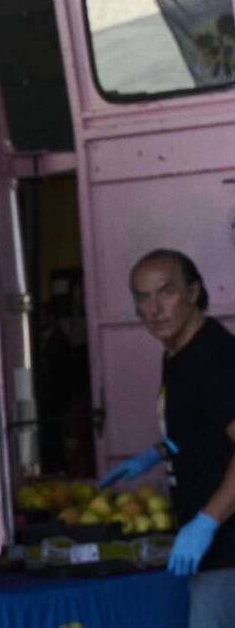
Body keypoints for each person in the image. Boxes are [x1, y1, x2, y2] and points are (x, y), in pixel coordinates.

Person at [99, 249, 235, 628]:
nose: (154, 309)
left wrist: (207, 521)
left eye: (166, 292)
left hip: (229, 548)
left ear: (194, 291)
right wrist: (158, 453)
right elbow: (206, 426)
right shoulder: (179, 352)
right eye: (143, 297)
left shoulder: (213, 358)